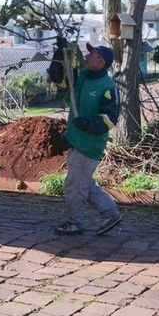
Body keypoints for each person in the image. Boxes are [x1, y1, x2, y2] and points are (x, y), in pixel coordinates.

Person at [48, 41, 122, 236]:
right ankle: (110, 213)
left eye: (92, 54)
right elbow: (63, 81)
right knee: (84, 183)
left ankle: (75, 223)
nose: (87, 56)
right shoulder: (82, 78)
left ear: (101, 61)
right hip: (76, 139)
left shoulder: (107, 87)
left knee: (74, 184)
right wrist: (59, 55)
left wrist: (88, 123)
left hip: (90, 144)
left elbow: (110, 119)